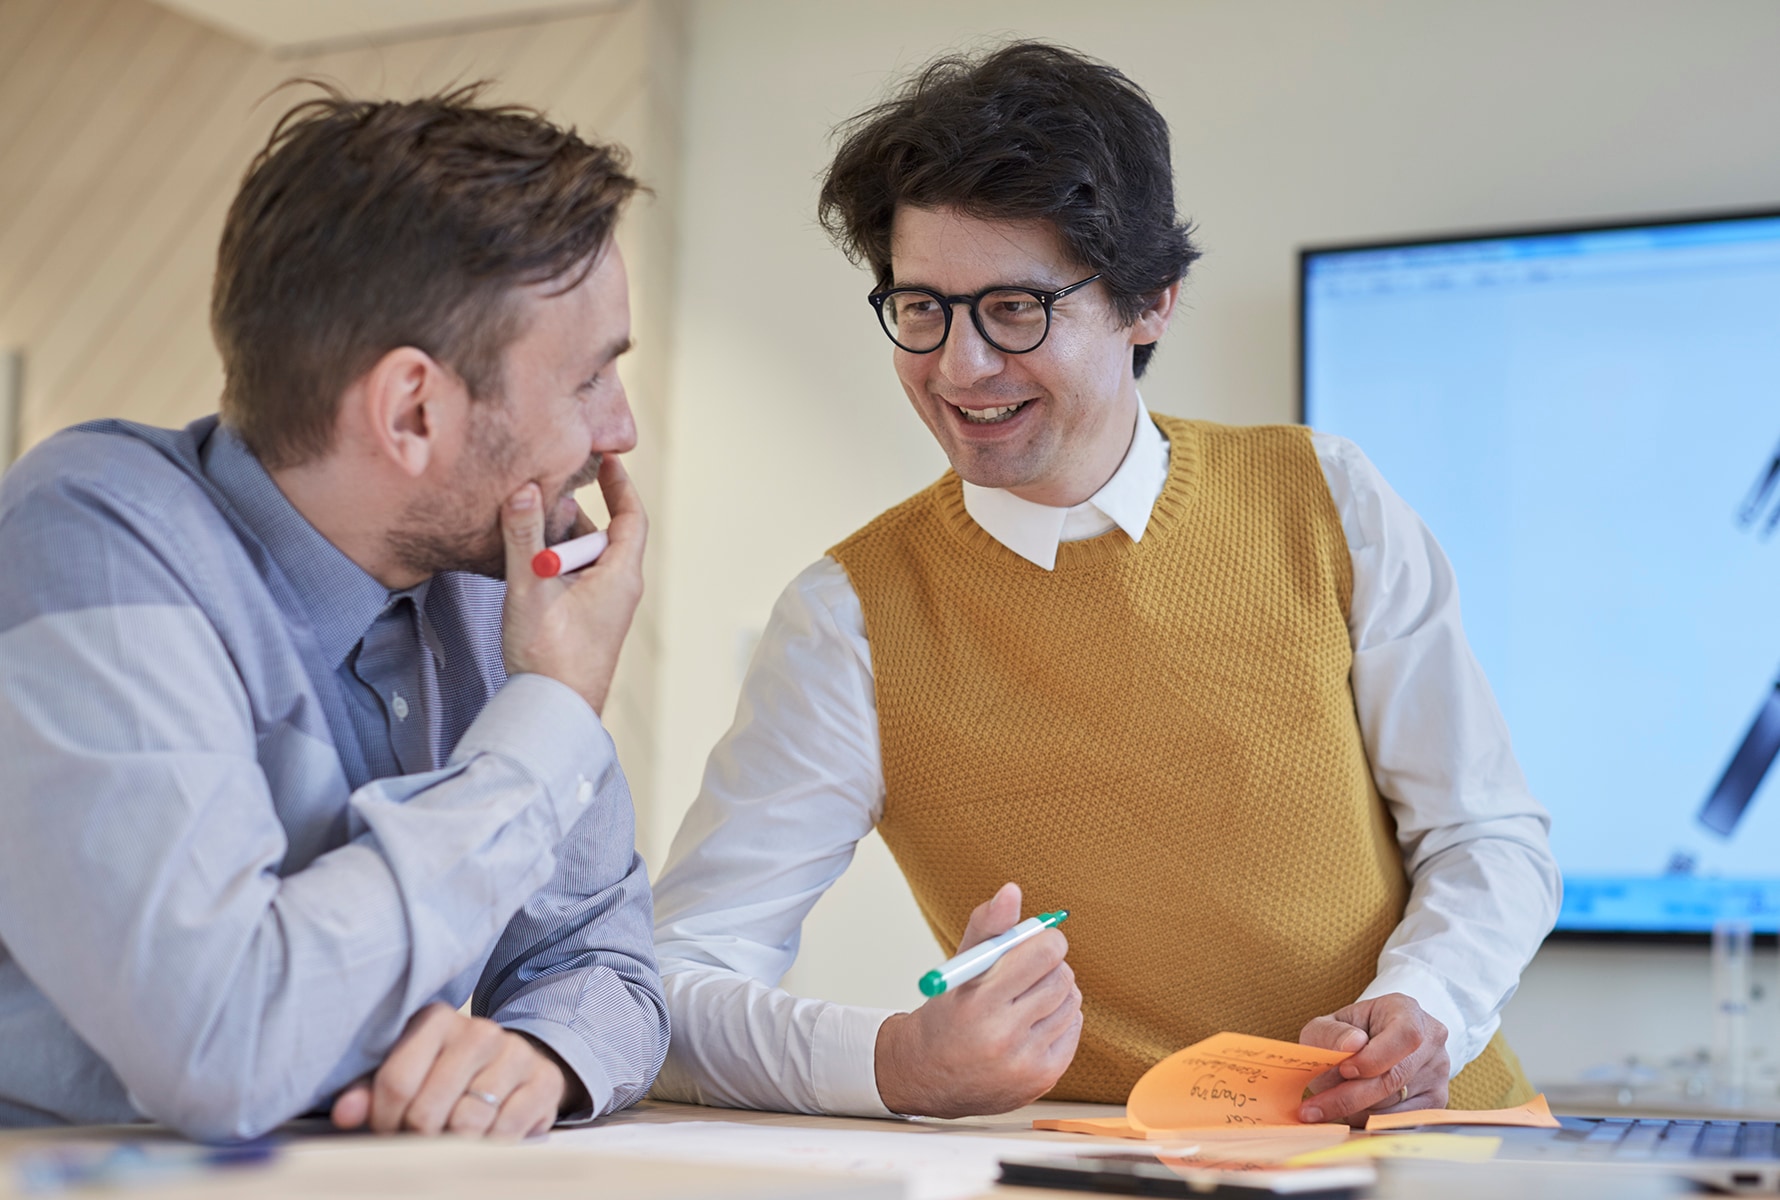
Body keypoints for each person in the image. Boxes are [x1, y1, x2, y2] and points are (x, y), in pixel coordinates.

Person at [650, 42, 1560, 1124]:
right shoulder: (848, 619)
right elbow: (669, 981)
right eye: (922, 307)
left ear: (1151, 302)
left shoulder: (1326, 501)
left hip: (1431, 1142)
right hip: (1099, 1172)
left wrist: (1426, 1002)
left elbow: (1485, 836)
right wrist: (897, 1061)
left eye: (1016, 309)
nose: (959, 367)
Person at [0, 85, 666, 1140]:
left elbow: (609, 962)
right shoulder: (88, 536)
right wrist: (547, 718)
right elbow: (223, 1040)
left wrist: (536, 1051)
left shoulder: (498, 572)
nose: (619, 428)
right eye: (591, 379)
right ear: (412, 412)